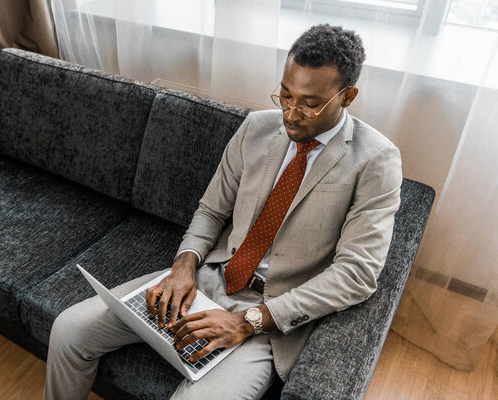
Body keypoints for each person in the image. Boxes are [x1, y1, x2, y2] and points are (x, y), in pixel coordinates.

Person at [44, 23, 402, 400]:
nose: (291, 114)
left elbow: (357, 274)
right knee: (69, 330)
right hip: (210, 276)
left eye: (310, 103)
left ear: (347, 97)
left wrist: (248, 322)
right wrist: (183, 267)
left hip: (273, 315)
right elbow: (212, 210)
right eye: (285, 94)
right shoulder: (255, 128)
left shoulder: (376, 161)